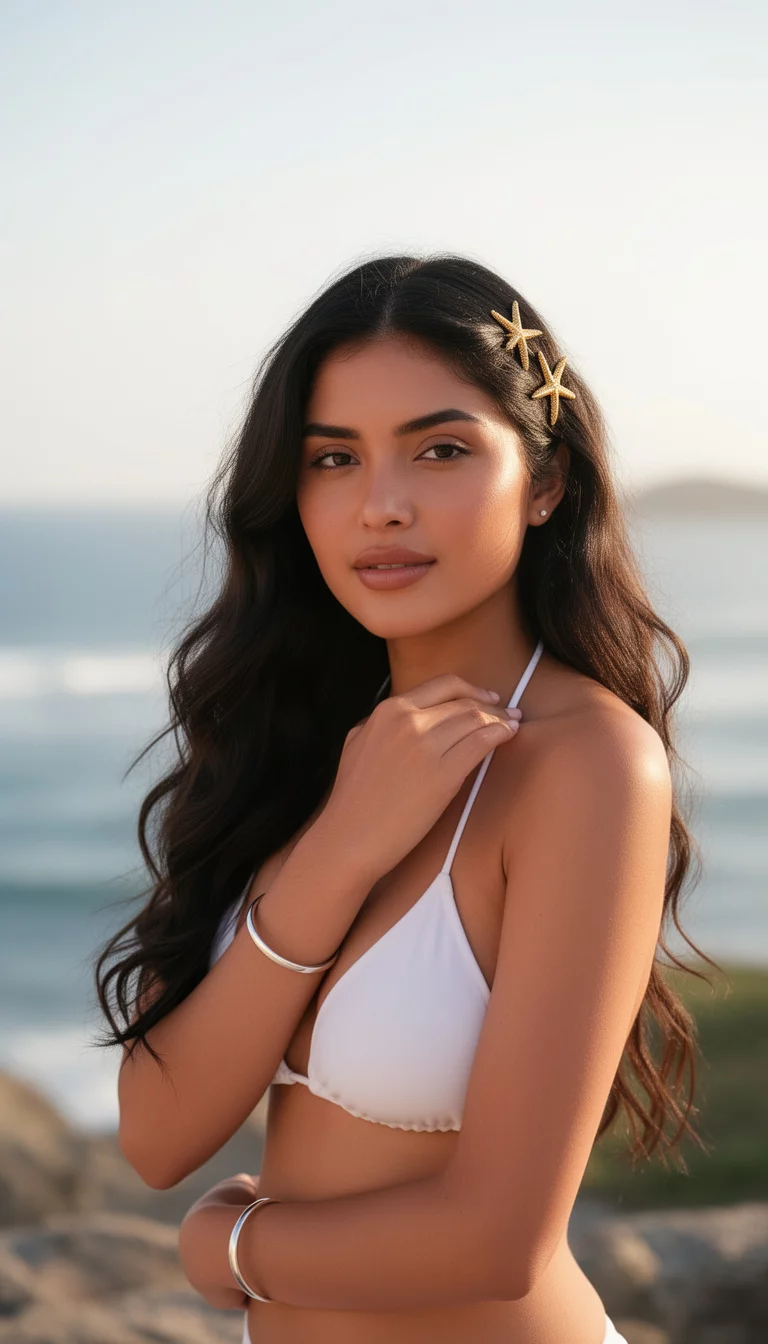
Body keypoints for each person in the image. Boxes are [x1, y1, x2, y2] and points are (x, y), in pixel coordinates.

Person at [95, 253, 718, 1344]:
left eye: (440, 450)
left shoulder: (587, 767)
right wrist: (343, 847)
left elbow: (498, 1240)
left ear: (545, 482)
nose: (380, 506)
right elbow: (158, 1135)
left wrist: (230, 1252)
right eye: (334, 459)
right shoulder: (289, 747)